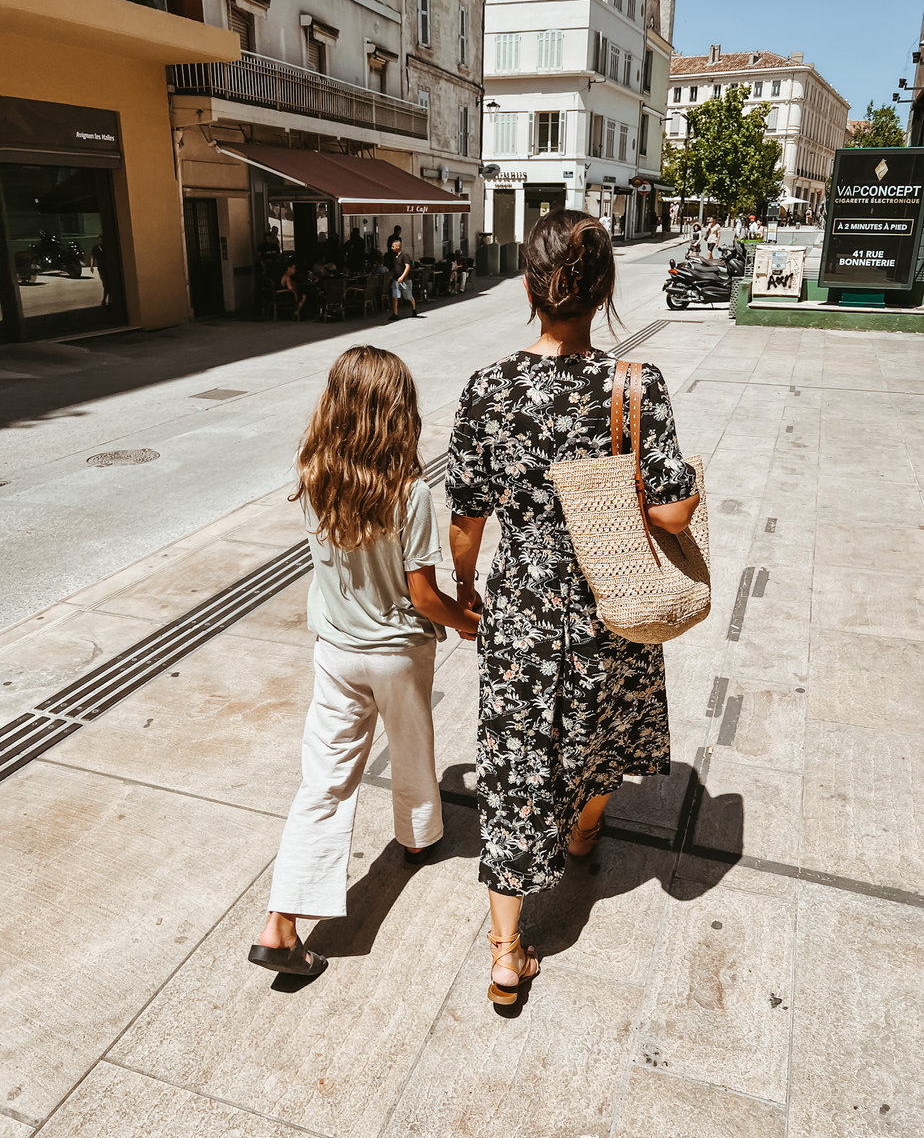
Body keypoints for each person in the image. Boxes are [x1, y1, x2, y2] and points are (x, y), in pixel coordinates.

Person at [446, 209, 699, 1005]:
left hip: (523, 606)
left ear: (529, 286)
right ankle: (586, 829)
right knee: (605, 723)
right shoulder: (636, 385)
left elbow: (466, 519)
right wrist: (690, 482)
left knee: (518, 760)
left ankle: (504, 949)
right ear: (604, 294)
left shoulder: (489, 387)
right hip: (608, 599)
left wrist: (465, 588)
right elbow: (669, 516)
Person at [249, 345, 482, 977]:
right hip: (398, 654)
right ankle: (417, 840)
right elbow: (423, 595)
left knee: (323, 782)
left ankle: (282, 921)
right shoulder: (410, 493)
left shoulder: (315, 470)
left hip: (336, 652)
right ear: (395, 411)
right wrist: (469, 623)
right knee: (412, 750)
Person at [388, 236, 418, 321]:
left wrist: (402, 277)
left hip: (405, 280)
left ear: (398, 247)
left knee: (408, 295)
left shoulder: (405, 256)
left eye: (393, 246)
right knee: (395, 297)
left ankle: (414, 309)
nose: (391, 248)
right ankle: (395, 314)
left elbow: (407, 267)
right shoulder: (395, 257)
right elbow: (396, 267)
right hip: (396, 279)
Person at [89, 236, 110, 307]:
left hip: (107, 267)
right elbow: (92, 257)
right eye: (100, 240)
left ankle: (105, 300)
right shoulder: (95, 248)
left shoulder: (106, 248)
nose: (101, 241)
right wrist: (91, 266)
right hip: (101, 268)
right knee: (105, 283)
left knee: (106, 284)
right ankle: (106, 299)